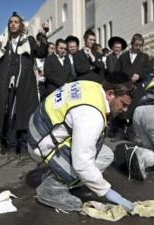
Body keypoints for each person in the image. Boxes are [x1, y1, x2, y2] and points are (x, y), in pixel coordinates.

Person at [27, 72, 134, 212]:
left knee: (105, 153)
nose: (125, 109)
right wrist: (108, 192)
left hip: (39, 132)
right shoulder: (91, 115)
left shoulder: (92, 86)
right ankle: (51, 189)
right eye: (123, 104)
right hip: (41, 145)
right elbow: (82, 163)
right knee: (93, 160)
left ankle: (58, 175)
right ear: (110, 94)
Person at [0, 12, 48, 156]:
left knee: (25, 115)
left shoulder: (28, 40)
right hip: (7, 85)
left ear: (21, 25)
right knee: (10, 115)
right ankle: (11, 146)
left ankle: (24, 146)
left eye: (16, 22)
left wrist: (43, 35)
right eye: (11, 21)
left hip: (26, 84)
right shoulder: (3, 41)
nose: (13, 24)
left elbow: (41, 53)